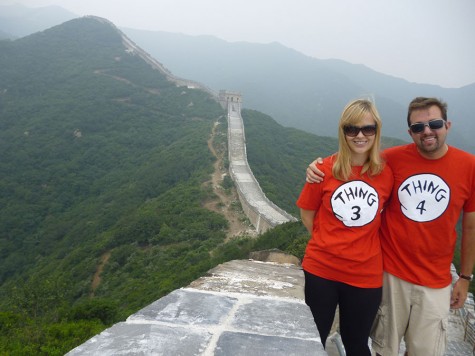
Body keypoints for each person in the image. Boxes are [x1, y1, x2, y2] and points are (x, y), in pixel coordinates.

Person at [306, 97, 475, 355]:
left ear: (447, 125)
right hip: (388, 274)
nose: (427, 131)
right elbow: (311, 208)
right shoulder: (386, 162)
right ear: (410, 133)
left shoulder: (466, 166)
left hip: (426, 280)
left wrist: (464, 277)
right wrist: (315, 168)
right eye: (418, 127)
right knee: (382, 348)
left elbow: (471, 226)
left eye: (435, 124)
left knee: (422, 350)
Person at [296, 99, 394, 355]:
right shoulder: (323, 170)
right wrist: (327, 241)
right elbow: (307, 213)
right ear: (343, 132)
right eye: (352, 129)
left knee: (357, 344)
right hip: (322, 270)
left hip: (365, 275)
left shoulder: (386, 174)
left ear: (377, 131)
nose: (360, 135)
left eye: (368, 129)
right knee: (313, 339)